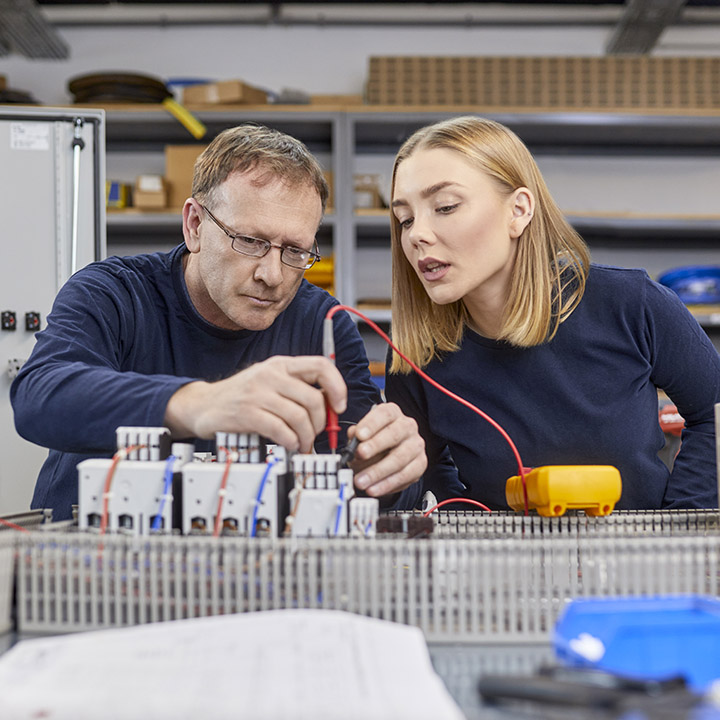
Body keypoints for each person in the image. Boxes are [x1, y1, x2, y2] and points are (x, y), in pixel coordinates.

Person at [11, 124, 426, 521]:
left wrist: (386, 469)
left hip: (249, 575)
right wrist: (200, 403)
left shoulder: (321, 322)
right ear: (195, 225)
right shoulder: (115, 293)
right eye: (250, 242)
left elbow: (362, 473)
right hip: (90, 568)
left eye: (295, 250)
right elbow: (39, 397)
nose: (273, 275)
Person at [385, 115, 720, 511]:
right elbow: (425, 467)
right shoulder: (415, 352)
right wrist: (466, 530)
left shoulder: (633, 303)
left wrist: (679, 526)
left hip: (639, 564)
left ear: (519, 210)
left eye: (445, 206)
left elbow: (713, 413)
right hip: (499, 570)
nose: (416, 234)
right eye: (405, 218)